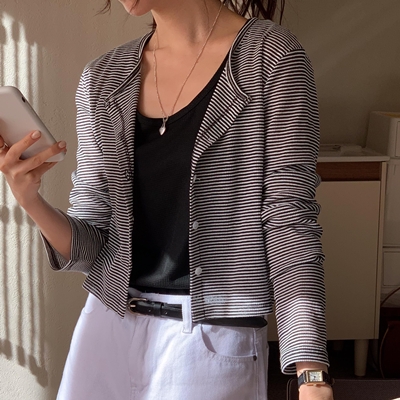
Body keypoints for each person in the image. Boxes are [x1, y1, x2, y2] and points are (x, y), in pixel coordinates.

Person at [0, 0, 334, 399]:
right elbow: (90, 247)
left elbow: (289, 220)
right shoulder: (103, 77)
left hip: (211, 340)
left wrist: (311, 375)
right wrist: (30, 199)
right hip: (105, 330)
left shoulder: (270, 56)